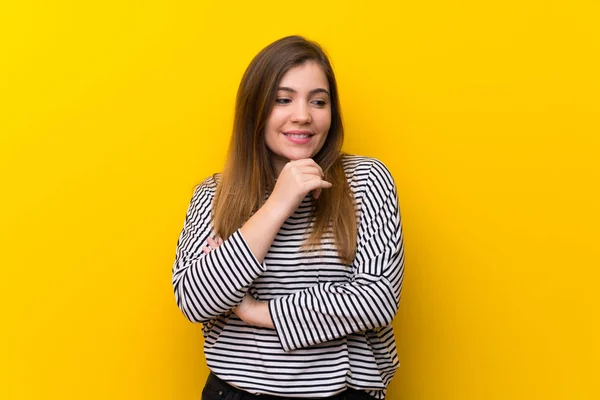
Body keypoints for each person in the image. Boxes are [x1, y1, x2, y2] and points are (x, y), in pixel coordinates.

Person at [172, 35, 405, 400]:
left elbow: (376, 300)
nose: (303, 115)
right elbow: (195, 299)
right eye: (283, 99)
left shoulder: (367, 180)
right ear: (255, 109)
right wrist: (278, 203)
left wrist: (252, 311)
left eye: (318, 101)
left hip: (342, 393)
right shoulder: (214, 194)